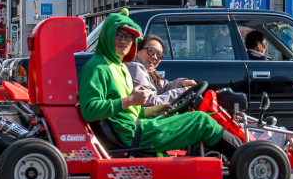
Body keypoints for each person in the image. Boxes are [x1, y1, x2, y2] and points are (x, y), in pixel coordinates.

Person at [78, 10, 240, 157]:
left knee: (195, 119)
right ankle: (249, 157)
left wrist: (155, 110)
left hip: (135, 126)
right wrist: (129, 100)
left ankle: (237, 158)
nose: (124, 41)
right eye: (119, 34)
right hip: (132, 133)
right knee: (201, 121)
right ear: (108, 34)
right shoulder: (98, 67)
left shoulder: (117, 66)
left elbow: (130, 112)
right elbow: (90, 110)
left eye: (129, 36)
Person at [127, 35, 196, 106]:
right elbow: (149, 102)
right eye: (150, 51)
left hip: (152, 114)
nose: (155, 57)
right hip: (144, 116)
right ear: (138, 51)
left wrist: (181, 83)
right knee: (201, 116)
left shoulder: (149, 72)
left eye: (159, 55)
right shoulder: (136, 68)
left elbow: (163, 87)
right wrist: (181, 92)